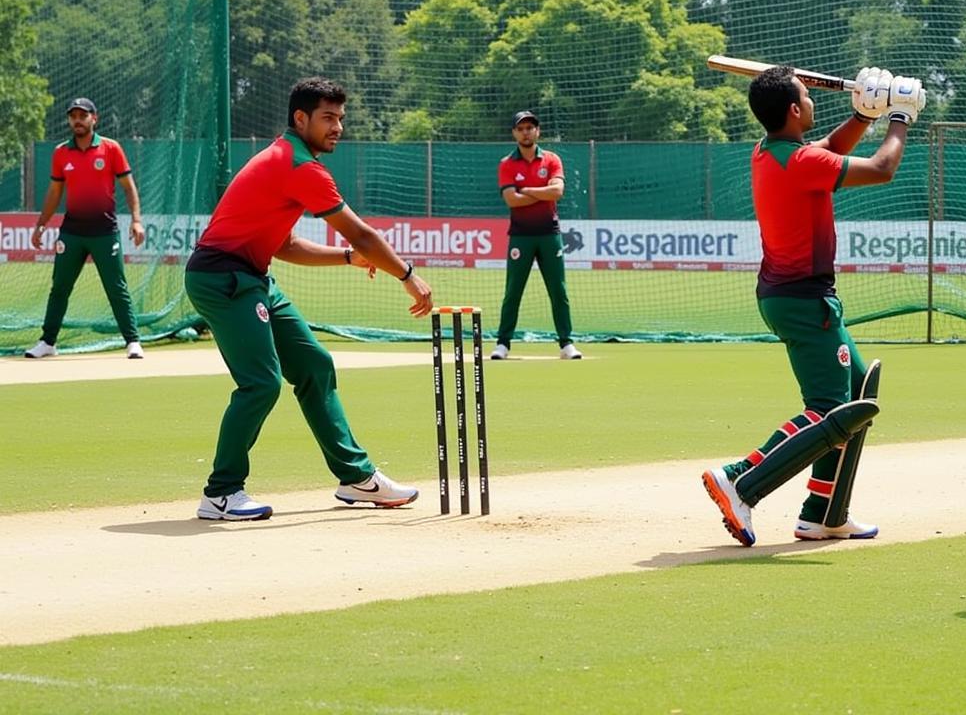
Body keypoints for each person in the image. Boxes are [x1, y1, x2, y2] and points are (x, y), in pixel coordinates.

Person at [185, 76, 433, 521]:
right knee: (260, 383)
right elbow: (361, 233)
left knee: (315, 365)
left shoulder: (289, 158)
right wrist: (408, 276)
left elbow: (285, 245)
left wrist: (346, 259)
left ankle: (356, 478)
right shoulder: (299, 166)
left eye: (340, 117)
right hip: (222, 278)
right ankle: (220, 493)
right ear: (300, 119)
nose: (337, 126)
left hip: (253, 278)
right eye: (327, 118)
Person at [702, 65, 925, 546]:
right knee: (829, 408)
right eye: (806, 95)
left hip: (794, 295)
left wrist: (863, 115)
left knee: (857, 391)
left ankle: (823, 512)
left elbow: (828, 150)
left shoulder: (772, 152)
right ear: (793, 109)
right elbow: (883, 169)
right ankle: (740, 480)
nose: (811, 100)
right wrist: (900, 117)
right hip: (804, 300)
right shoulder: (800, 162)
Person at [25, 98, 146, 360]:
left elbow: (129, 187)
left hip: (105, 231)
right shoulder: (60, 153)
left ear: (95, 118)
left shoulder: (111, 148)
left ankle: (133, 341)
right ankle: (48, 342)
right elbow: (55, 192)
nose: (77, 120)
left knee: (116, 287)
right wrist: (41, 224)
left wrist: (136, 220)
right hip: (72, 232)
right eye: (73, 116)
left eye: (83, 115)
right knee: (60, 287)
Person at [490, 110, 582, 361]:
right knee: (513, 291)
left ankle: (566, 344)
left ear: (537, 131)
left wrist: (527, 190)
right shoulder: (507, 163)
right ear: (514, 133)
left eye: (530, 127)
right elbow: (511, 199)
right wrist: (542, 191)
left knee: (558, 290)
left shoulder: (551, 159)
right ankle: (503, 344)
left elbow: (557, 192)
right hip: (520, 236)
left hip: (549, 234)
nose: (526, 132)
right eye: (521, 128)